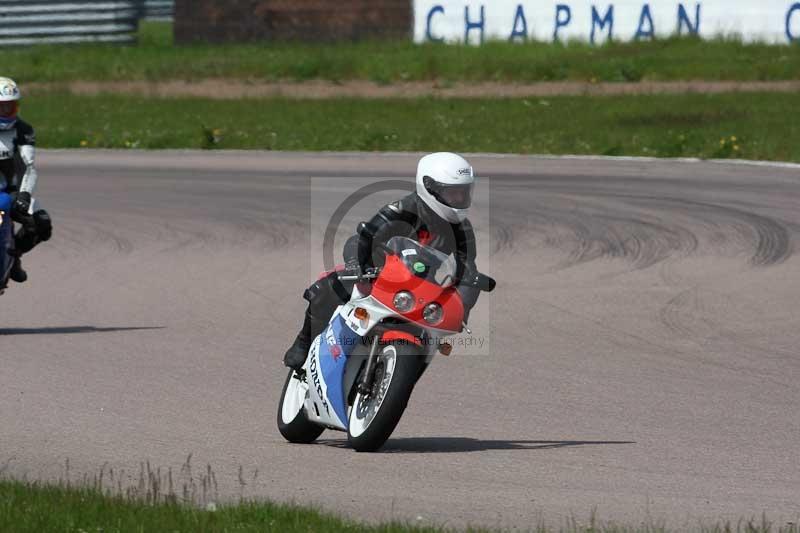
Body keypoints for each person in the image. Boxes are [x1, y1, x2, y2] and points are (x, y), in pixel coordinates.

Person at [283, 152, 482, 370]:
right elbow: (361, 239)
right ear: (430, 187)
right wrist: (356, 266)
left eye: (463, 193)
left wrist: (462, 308)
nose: (460, 200)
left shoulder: (462, 230)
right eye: (452, 193)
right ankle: (304, 341)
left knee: (428, 344)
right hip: (377, 278)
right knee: (327, 288)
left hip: (421, 291)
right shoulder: (401, 210)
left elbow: (469, 273)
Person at [0, 77, 52, 283]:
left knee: (41, 223)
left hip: (9, 191)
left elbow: (28, 166)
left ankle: (15, 257)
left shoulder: (23, 130)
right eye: (1, 107)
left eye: (10, 107)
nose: (6, 112)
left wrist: (23, 195)